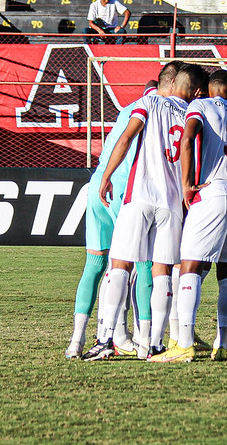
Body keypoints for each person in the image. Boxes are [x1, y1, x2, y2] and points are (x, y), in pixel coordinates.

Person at [81, 64, 206, 361]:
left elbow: (126, 137)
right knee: (162, 271)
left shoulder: (149, 101)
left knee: (121, 264)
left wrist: (107, 175)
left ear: (173, 82)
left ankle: (104, 338)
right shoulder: (192, 115)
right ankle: (154, 344)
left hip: (139, 196)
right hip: (172, 202)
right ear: (196, 92)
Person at [65, 68, 177, 360]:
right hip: (124, 188)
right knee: (140, 266)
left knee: (95, 264)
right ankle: (143, 339)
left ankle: (77, 341)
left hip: (97, 183)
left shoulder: (128, 108)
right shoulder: (161, 109)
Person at [154, 70, 227, 363]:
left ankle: (184, 342)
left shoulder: (201, 106)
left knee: (190, 267)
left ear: (209, 88)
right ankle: (223, 341)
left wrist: (186, 182)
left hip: (213, 191)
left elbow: (188, 137)